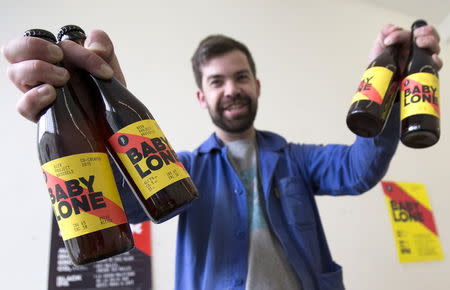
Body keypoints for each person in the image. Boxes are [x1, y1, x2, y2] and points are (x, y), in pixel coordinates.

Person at [2, 24, 442, 290]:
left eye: (240, 77)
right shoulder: (181, 168)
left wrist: (388, 83)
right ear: (201, 95)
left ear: (257, 85)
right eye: (217, 81)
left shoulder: (296, 159)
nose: (231, 89)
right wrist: (93, 116)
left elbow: (359, 169)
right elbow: (124, 206)